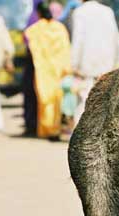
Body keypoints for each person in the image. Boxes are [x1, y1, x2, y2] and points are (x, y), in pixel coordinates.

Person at [25, 2, 71, 139]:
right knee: (56, 99)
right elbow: (66, 49)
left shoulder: (35, 29)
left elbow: (28, 42)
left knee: (44, 100)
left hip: (43, 70)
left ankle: (45, 129)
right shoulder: (60, 28)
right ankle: (55, 128)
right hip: (57, 70)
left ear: (38, 13)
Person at [71, 0, 119, 123]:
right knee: (104, 108)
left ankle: (81, 140)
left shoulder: (80, 12)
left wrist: (74, 65)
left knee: (83, 107)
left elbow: (78, 40)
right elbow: (115, 40)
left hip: (86, 69)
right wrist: (113, 64)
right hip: (106, 68)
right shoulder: (108, 12)